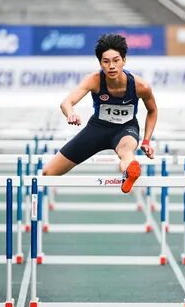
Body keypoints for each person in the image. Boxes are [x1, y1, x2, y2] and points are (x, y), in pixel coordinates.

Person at [42, 33, 157, 193]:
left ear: (124, 60)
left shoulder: (141, 86)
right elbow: (66, 103)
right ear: (100, 63)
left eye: (116, 60)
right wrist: (70, 114)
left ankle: (129, 173)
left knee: (126, 151)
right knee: (47, 173)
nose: (111, 66)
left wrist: (146, 141)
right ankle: (128, 170)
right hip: (97, 129)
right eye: (106, 61)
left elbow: (152, 111)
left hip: (126, 128)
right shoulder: (94, 80)